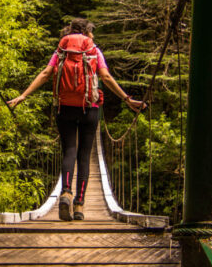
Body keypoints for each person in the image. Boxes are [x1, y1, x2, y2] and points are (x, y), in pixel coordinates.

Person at [7, 18, 144, 221]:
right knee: (84, 154)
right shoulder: (93, 50)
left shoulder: (61, 51)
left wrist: (23, 95)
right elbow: (105, 77)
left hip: (64, 107)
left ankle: (66, 193)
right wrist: (126, 99)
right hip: (89, 107)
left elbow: (46, 73)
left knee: (69, 150)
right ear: (88, 32)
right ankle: (79, 205)